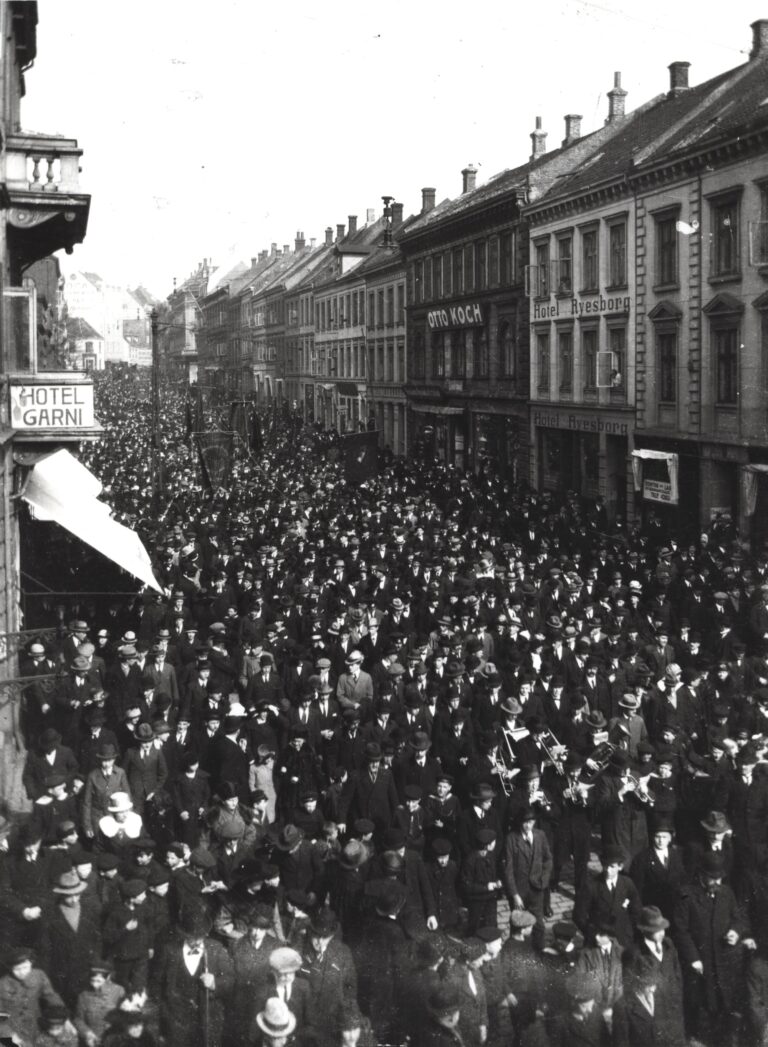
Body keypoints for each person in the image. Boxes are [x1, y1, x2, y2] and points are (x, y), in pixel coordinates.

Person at [156, 905, 235, 1047]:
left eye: (201, 937)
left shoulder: (216, 949)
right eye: (193, 937)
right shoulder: (169, 951)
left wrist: (214, 983)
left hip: (208, 1019)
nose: (198, 942)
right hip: (177, 1021)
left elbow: (230, 980)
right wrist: (166, 1014)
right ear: (184, 934)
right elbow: (157, 983)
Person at [74, 960, 126, 1047]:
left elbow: (125, 1018)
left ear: (108, 977)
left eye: (98, 981)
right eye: (92, 980)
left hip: (114, 1040)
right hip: (93, 1040)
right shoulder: (83, 995)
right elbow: (78, 1019)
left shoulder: (119, 991)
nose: (94, 985)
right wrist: (87, 1034)